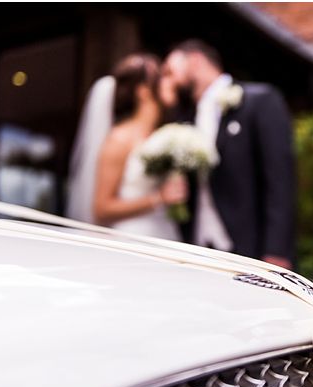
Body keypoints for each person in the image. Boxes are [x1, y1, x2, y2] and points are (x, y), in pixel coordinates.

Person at [162, 39, 296, 268]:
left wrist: (277, 251)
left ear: (194, 62)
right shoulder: (184, 120)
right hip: (197, 248)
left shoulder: (260, 100)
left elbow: (280, 180)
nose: (170, 80)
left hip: (250, 249)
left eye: (171, 71)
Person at [67, 54, 188, 240]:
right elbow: (101, 208)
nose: (171, 82)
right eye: (162, 77)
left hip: (165, 233)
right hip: (134, 238)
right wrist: (158, 198)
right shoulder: (119, 139)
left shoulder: (164, 135)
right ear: (143, 91)